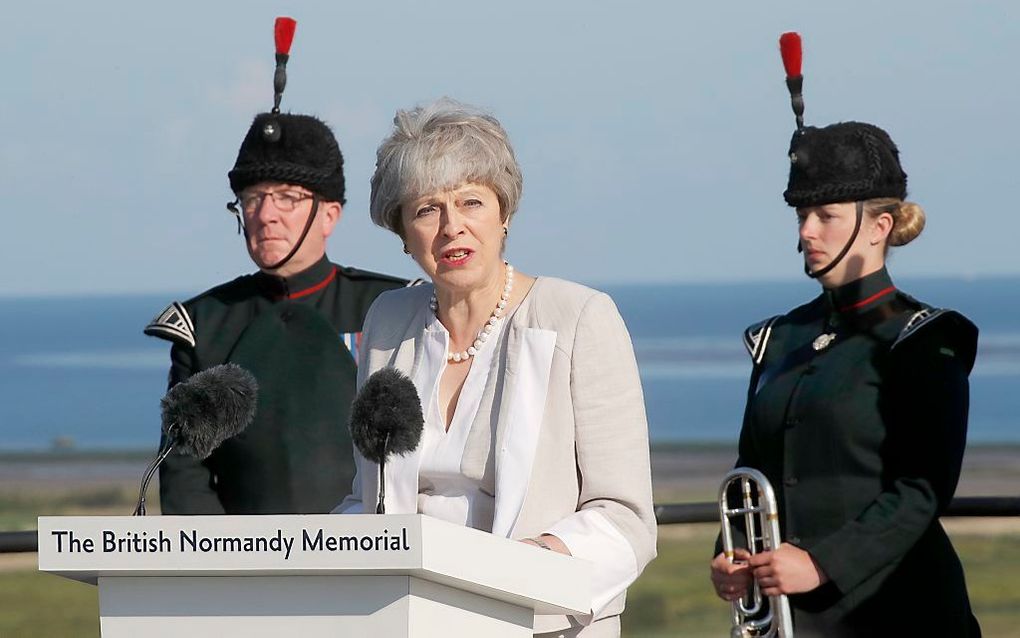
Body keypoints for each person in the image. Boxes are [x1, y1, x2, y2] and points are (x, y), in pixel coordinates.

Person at [333, 99, 657, 637]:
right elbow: (370, 502)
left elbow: (625, 521)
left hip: (536, 622)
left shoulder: (578, 318)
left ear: (504, 214)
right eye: (426, 209)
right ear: (402, 234)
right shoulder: (388, 321)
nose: (451, 227)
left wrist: (513, 573)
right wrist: (305, 552)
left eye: (470, 202)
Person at [710, 35, 981, 638]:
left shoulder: (925, 339)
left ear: (880, 225)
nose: (808, 231)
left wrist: (820, 564)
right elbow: (752, 468)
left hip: (901, 615)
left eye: (826, 216)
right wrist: (730, 556)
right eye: (802, 216)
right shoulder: (780, 338)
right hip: (788, 622)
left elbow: (921, 491)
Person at [143, 19, 407, 514]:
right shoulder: (204, 323)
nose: (265, 215)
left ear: (329, 214)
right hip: (241, 576)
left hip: (374, 564)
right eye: (252, 198)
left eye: (287, 197)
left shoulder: (392, 307)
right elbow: (185, 473)